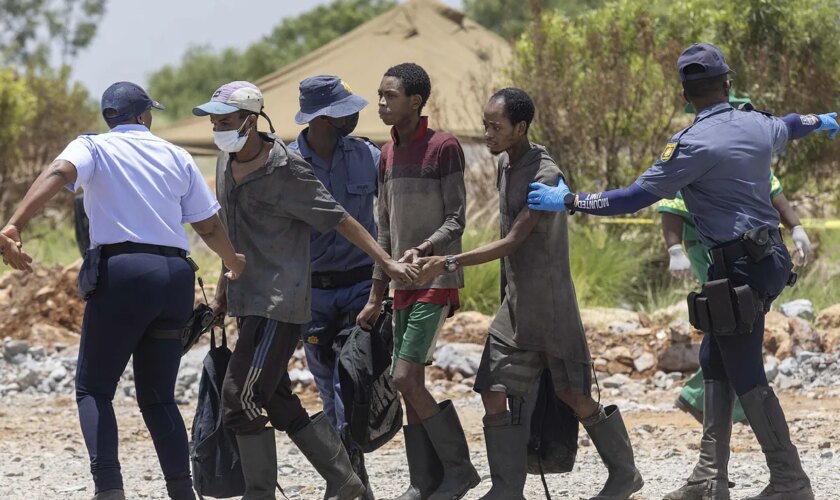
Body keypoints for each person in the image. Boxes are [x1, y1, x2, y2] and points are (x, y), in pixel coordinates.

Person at [527, 43, 838, 500]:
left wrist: (571, 201)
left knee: (746, 370)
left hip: (738, 270)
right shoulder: (757, 123)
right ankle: (709, 478)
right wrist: (822, 120)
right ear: (728, 85)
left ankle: (790, 480)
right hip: (763, 260)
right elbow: (790, 125)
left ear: (685, 95)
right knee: (715, 358)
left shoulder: (691, 145)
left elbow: (633, 198)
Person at [0, 81, 246, 500]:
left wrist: (14, 224)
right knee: (158, 396)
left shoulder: (93, 147)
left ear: (109, 117)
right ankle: (182, 491)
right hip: (174, 278)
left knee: (94, 388)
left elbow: (60, 172)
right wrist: (234, 261)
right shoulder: (175, 154)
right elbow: (205, 225)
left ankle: (110, 488)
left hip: (124, 275)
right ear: (144, 115)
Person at [416, 88, 644, 500]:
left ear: (520, 128)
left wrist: (449, 263)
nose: (487, 133)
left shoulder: (545, 173)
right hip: (516, 307)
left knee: (573, 394)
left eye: (495, 127)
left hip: (550, 307)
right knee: (492, 388)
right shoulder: (507, 164)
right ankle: (506, 489)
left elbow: (513, 241)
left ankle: (625, 474)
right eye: (485, 125)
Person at [194, 81, 417, 500]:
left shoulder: (287, 169)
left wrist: (384, 262)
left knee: (238, 399)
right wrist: (224, 285)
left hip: (280, 304)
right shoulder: (225, 164)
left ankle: (258, 493)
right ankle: (346, 482)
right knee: (277, 401)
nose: (217, 127)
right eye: (214, 120)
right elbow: (231, 234)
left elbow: (339, 218)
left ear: (250, 120)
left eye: (225, 120)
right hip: (248, 302)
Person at [355, 63, 479, 500]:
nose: (382, 103)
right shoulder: (385, 154)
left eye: (390, 95)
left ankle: (460, 470)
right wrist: (376, 293)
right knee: (410, 383)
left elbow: (457, 219)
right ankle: (423, 481)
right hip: (400, 284)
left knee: (405, 378)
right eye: (380, 94)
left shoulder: (444, 147)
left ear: (416, 101)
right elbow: (384, 230)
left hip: (435, 278)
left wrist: (424, 251)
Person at [661, 95, 813, 425]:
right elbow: (670, 206)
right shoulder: (696, 149)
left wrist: (797, 228)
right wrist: (674, 250)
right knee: (733, 317)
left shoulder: (750, 159)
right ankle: (724, 403)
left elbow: (776, 196)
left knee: (733, 319)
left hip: (751, 253)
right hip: (709, 250)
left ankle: (708, 406)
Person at [287, 75, 380, 500]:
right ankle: (349, 480)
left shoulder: (367, 156)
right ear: (324, 117)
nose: (356, 114)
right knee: (327, 387)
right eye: (346, 109)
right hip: (314, 294)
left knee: (353, 383)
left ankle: (348, 482)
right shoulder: (287, 164)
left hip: (362, 288)